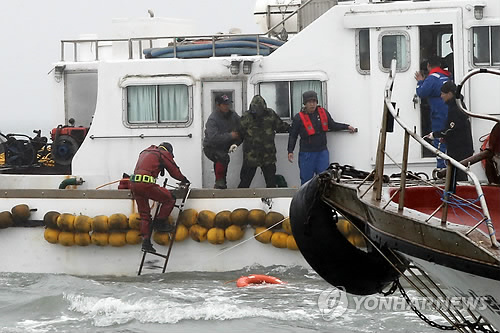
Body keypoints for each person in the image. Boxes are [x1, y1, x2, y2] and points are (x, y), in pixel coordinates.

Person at [130, 142, 189, 253]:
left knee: (144, 215)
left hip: (134, 184)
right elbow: (173, 170)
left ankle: (146, 243)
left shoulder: (146, 152)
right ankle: (159, 222)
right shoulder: (162, 153)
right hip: (145, 184)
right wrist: (184, 179)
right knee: (170, 199)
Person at [287, 90, 356, 185]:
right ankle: (307, 199)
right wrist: (290, 150)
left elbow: (332, 125)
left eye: (314, 101)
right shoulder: (298, 118)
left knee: (325, 179)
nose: (312, 104)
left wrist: (346, 127)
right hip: (307, 154)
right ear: (305, 104)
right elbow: (293, 135)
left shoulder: (323, 113)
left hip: (322, 153)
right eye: (309, 102)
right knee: (306, 181)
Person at [424, 81, 474, 181]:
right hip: (460, 146)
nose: (441, 96)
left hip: (460, 149)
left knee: (458, 175)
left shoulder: (456, 108)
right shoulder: (457, 105)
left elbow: (451, 129)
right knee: (456, 173)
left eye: (443, 93)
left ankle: (459, 193)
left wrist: (434, 135)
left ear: (450, 94)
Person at [238, 95, 289, 188]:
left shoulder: (270, 114)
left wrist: (294, 128)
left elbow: (280, 126)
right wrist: (232, 143)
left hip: (268, 155)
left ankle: (271, 202)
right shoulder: (246, 117)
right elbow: (239, 132)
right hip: (251, 156)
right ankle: (240, 201)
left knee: (271, 184)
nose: (258, 112)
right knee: (244, 183)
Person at [415, 56, 451, 169]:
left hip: (438, 113)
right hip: (448, 111)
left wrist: (420, 81)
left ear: (428, 66)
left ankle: (442, 169)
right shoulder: (447, 76)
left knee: (439, 139)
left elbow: (422, 92)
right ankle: (449, 167)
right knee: (448, 137)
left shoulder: (432, 78)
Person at [203, 94, 242, 189]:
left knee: (224, 158)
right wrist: (230, 136)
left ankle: (222, 182)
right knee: (222, 157)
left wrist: (235, 143)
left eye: (228, 104)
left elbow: (241, 126)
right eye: (224, 104)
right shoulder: (213, 119)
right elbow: (213, 138)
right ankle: (219, 183)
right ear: (218, 105)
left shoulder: (233, 115)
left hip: (224, 146)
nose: (227, 106)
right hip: (211, 147)